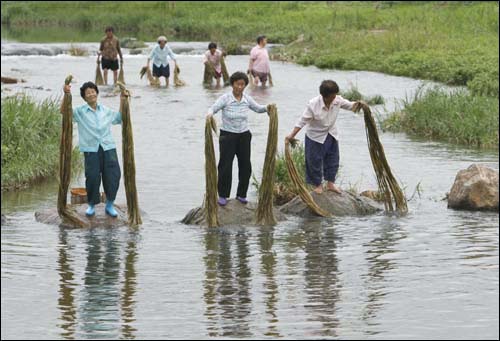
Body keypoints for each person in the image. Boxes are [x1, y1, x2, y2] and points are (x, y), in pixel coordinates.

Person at [285, 80, 367, 194]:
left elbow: (350, 106)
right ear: (325, 96)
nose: (335, 98)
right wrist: (291, 136)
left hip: (331, 134)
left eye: (335, 95)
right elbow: (302, 121)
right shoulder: (313, 104)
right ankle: (318, 185)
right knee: (314, 161)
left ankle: (330, 184)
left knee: (333, 159)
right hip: (315, 136)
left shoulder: (337, 100)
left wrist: (359, 104)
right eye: (332, 96)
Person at [62, 81, 126, 217]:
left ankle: (109, 204)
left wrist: (122, 100)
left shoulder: (105, 110)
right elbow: (64, 112)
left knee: (113, 175)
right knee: (92, 177)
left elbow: (120, 118)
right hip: (91, 150)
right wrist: (66, 94)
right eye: (88, 93)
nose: (91, 94)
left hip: (108, 147)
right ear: (84, 97)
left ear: (97, 93)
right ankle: (91, 205)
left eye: (93, 91)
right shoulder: (80, 112)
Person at [206, 71, 271, 206]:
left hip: (244, 136)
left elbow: (258, 108)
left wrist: (268, 108)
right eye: (237, 84)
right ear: (232, 84)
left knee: (245, 165)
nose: (240, 87)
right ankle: (223, 195)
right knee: (225, 166)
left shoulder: (247, 99)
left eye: (242, 84)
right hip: (227, 135)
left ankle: (241, 194)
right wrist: (209, 115)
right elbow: (213, 108)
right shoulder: (225, 98)